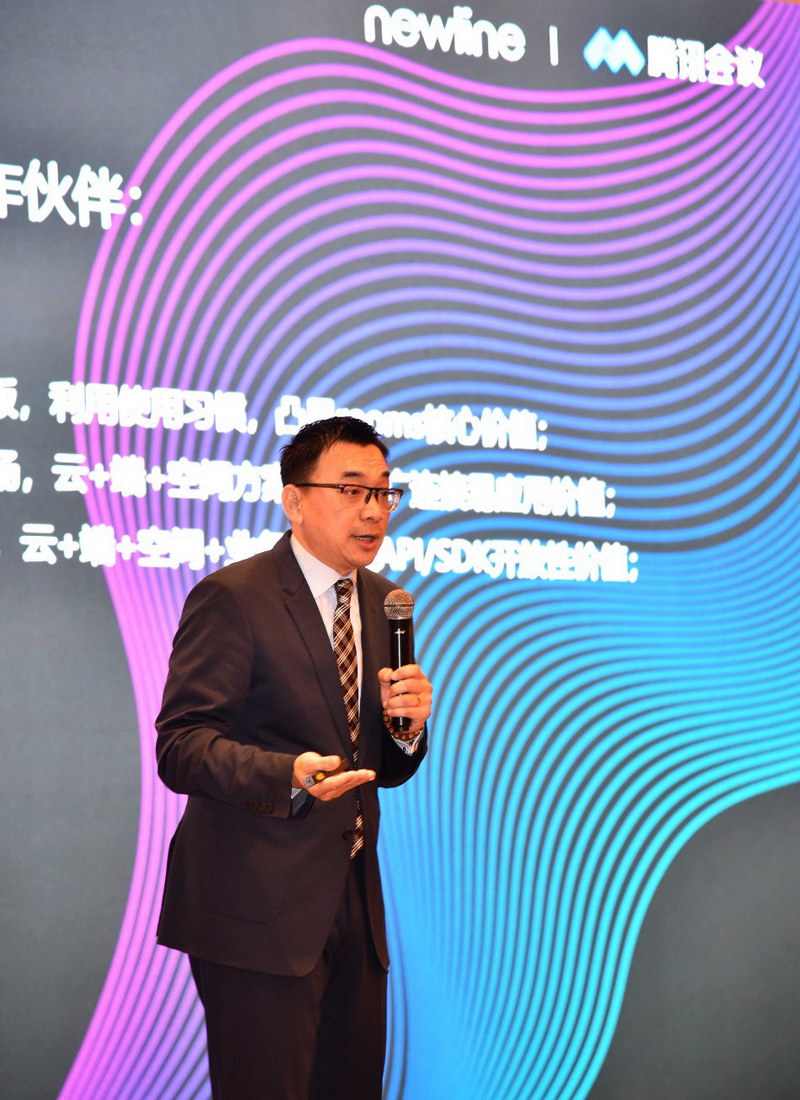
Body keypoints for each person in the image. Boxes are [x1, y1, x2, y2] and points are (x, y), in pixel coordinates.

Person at [155, 415, 432, 1100]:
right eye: (352, 490)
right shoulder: (235, 597)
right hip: (257, 910)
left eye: (384, 493)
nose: (373, 510)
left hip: (354, 904)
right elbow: (181, 745)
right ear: (295, 501)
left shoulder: (384, 601)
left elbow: (385, 769)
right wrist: (288, 776)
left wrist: (407, 730)